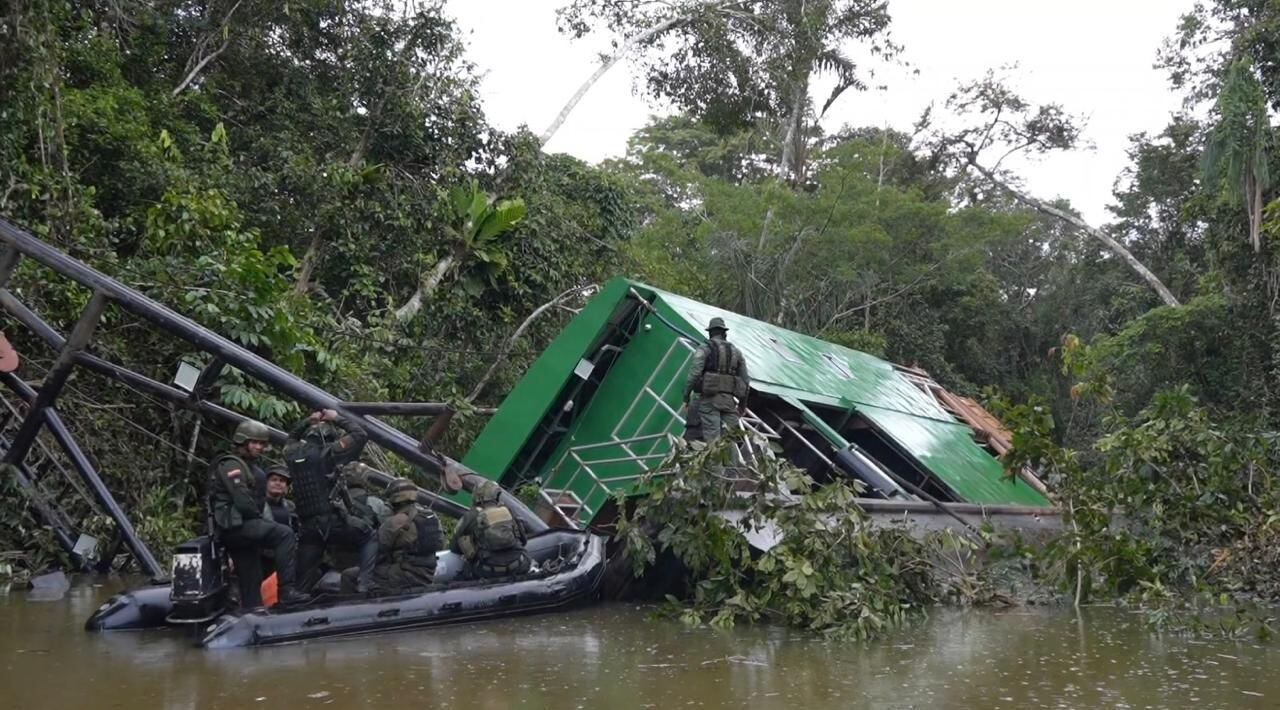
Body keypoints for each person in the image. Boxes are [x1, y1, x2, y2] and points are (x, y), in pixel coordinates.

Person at [208, 419, 306, 607]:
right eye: (255, 442)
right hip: (236, 528)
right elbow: (244, 503)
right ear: (242, 442)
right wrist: (262, 523)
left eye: (262, 443)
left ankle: (252, 611)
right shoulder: (231, 465)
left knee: (252, 580)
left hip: (243, 530)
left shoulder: (251, 468)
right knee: (284, 535)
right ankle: (286, 591)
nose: (259, 447)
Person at [285, 408, 377, 593]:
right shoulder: (329, 453)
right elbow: (360, 434)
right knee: (369, 536)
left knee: (301, 585)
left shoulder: (291, 453)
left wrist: (307, 422)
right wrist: (337, 418)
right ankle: (365, 582)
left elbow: (291, 439)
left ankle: (295, 605)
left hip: (308, 528)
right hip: (332, 521)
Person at [348, 478, 442, 594]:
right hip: (428, 573)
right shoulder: (431, 516)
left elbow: (376, 551)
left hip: (405, 574)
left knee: (349, 575)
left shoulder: (395, 521)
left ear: (395, 499)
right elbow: (440, 543)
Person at [682, 316, 751, 443]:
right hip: (729, 403)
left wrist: (686, 397)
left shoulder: (704, 348)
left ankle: (715, 463)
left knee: (713, 442)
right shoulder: (737, 352)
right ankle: (732, 463)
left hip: (709, 401)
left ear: (710, 333)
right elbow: (746, 381)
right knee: (729, 441)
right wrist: (742, 405)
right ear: (724, 333)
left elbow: (694, 375)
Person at [449, 479, 530, 579]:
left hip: (487, 571)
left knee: (459, 578)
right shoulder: (507, 511)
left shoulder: (471, 516)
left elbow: (454, 547)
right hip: (518, 565)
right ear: (495, 495)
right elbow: (524, 540)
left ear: (477, 496)